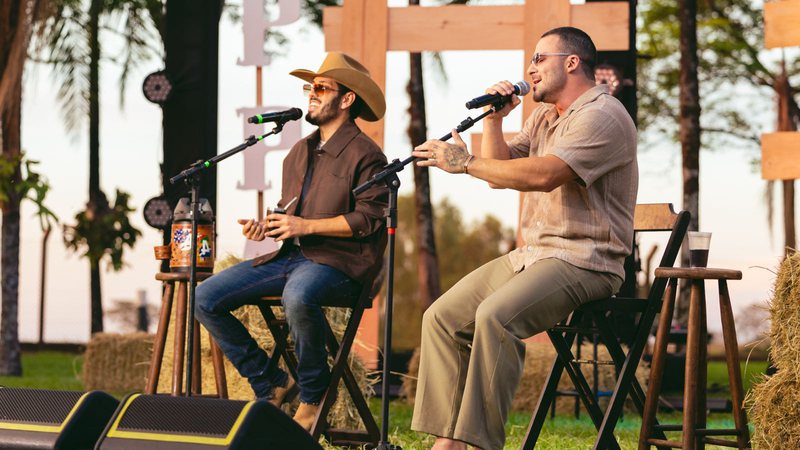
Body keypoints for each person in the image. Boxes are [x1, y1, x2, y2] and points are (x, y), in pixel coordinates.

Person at [409, 27, 638, 450]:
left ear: (572, 62)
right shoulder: (544, 116)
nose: (529, 69)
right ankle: (449, 439)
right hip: (535, 255)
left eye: (539, 59)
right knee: (441, 318)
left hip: (586, 259)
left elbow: (545, 175)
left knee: (496, 316)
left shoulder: (602, 114)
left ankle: (477, 443)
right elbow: (501, 174)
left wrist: (466, 162)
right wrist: (495, 120)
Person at [194, 52, 388, 431]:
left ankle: (313, 398)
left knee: (298, 296)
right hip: (290, 258)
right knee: (205, 297)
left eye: (320, 88)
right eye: (309, 87)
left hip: (341, 266)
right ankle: (271, 382)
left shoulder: (368, 155)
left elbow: (368, 220)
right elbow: (291, 213)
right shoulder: (298, 152)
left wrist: (304, 227)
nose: (310, 95)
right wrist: (268, 227)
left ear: (347, 100)